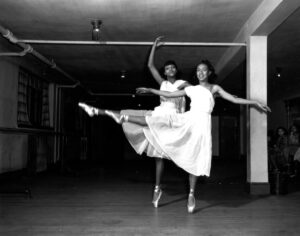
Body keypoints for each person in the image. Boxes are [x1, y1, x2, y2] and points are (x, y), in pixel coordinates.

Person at [79, 60, 270, 213]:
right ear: (196, 74)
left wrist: (255, 102)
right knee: (155, 122)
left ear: (209, 72)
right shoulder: (190, 89)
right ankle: (115, 115)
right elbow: (168, 95)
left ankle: (192, 194)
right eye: (198, 70)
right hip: (187, 120)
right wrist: (151, 90)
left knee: (194, 159)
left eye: (204, 70)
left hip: (202, 127)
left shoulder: (215, 88)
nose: (201, 73)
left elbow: (234, 99)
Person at [119, 36, 190, 208]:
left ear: (176, 70)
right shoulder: (163, 83)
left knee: (184, 155)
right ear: (165, 72)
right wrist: (154, 47)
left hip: (175, 120)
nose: (170, 69)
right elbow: (150, 66)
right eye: (167, 68)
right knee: (159, 158)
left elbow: (194, 91)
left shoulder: (183, 83)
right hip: (160, 117)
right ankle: (157, 189)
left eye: (173, 67)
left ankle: (191, 191)